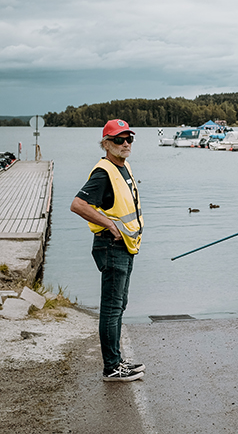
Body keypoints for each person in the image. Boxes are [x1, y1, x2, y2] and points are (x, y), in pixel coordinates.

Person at [70, 119, 145, 382]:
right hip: (112, 246)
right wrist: (109, 224)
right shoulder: (103, 172)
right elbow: (78, 204)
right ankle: (112, 367)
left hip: (125, 246)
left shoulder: (122, 167)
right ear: (106, 143)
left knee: (119, 305)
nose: (125, 144)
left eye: (129, 139)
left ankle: (117, 361)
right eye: (118, 139)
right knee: (112, 308)